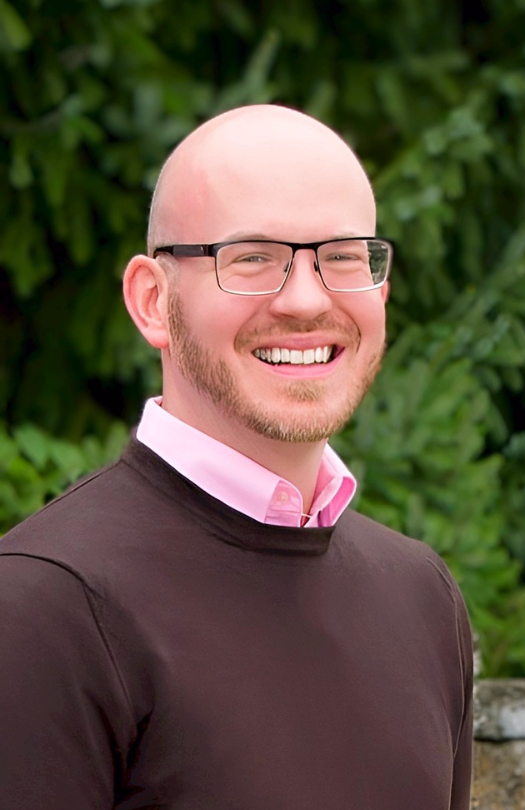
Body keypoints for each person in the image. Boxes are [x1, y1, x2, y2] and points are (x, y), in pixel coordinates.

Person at [0, 105, 473, 810]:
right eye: (252, 258)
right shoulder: (42, 607)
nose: (307, 300)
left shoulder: (423, 598)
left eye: (343, 256)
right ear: (153, 301)